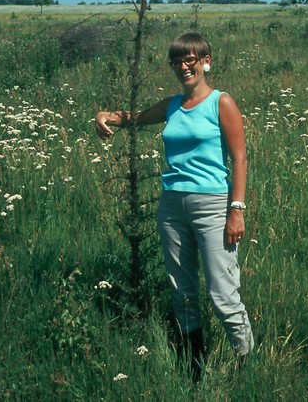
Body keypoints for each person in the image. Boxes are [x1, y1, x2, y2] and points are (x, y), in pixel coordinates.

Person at [95, 32, 254, 378]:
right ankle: (193, 366)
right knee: (182, 291)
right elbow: (134, 117)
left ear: (205, 62)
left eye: (190, 60)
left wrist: (236, 209)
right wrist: (105, 116)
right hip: (171, 207)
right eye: (177, 61)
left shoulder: (221, 102)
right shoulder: (171, 106)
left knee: (223, 293)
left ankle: (246, 364)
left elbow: (239, 158)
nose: (183, 66)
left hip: (213, 205)